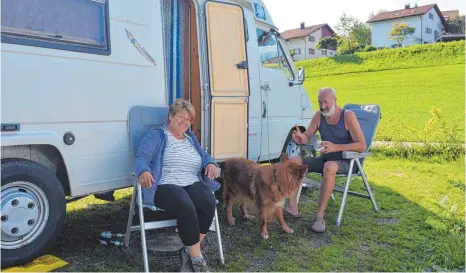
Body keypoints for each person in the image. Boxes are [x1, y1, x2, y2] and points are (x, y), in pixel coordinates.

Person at [134, 98, 219, 272]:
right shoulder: (157, 135)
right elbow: (142, 156)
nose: (185, 122)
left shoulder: (190, 138)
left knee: (208, 202)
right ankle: (196, 259)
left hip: (191, 181)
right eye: (181, 116)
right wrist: (143, 171)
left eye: (189, 119)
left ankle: (188, 252)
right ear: (171, 116)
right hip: (165, 184)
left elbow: (204, 156)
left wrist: (211, 163)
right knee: (185, 205)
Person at [284, 87, 366, 233]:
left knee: (329, 166)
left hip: (346, 161)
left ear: (335, 100)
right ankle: (292, 208)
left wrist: (336, 147)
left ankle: (319, 216)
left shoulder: (348, 116)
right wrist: (300, 138)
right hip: (325, 158)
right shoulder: (319, 116)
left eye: (326, 102)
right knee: (294, 160)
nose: (322, 106)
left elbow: (361, 145)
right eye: (320, 103)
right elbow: (308, 135)